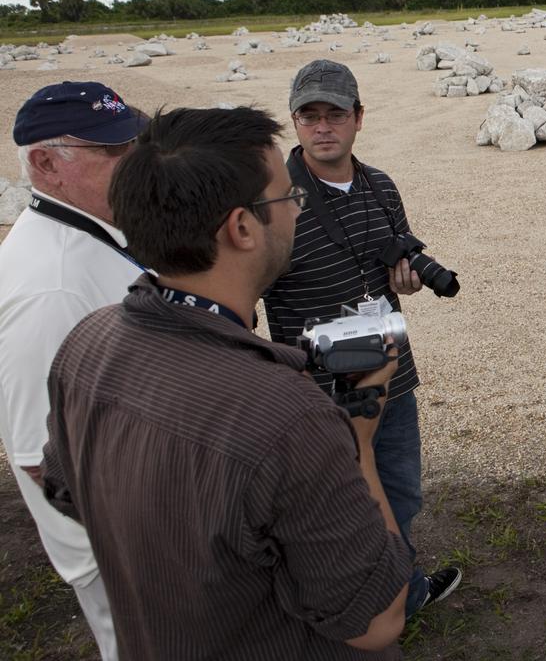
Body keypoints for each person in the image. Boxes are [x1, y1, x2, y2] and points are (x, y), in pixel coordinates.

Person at [40, 106, 413, 659]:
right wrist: (357, 439)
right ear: (242, 228)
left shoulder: (86, 344)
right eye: (290, 199)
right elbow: (377, 621)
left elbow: (64, 490)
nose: (296, 211)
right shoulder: (288, 414)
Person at [262, 59, 459, 612]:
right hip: (314, 385)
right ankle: (343, 605)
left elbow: (398, 257)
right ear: (294, 124)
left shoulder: (381, 185)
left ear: (358, 118)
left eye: (336, 114)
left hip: (390, 370)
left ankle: (404, 590)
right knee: (329, 502)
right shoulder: (271, 198)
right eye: (310, 116)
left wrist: (411, 283)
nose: (323, 127)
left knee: (400, 490)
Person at [0, 81, 146, 661]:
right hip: (120, 552)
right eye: (111, 152)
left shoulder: (88, 234)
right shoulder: (51, 285)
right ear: (44, 164)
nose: (133, 161)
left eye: (132, 143)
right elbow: (38, 454)